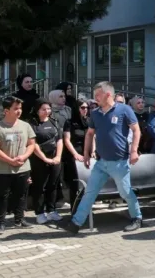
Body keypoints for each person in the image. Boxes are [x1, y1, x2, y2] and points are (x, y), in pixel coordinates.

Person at [61, 81, 143, 234]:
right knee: (89, 193)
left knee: (125, 192)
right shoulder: (96, 113)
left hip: (120, 162)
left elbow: (136, 131)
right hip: (101, 163)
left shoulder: (124, 110)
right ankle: (76, 223)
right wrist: (86, 154)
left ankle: (137, 217)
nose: (95, 98)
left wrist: (133, 151)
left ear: (108, 94)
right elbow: (90, 134)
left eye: (97, 95)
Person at [0, 96, 36, 235]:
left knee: (21, 195)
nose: (19, 111)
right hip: (3, 169)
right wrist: (10, 160)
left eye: (20, 108)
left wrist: (24, 157)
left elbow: (31, 144)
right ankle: (0, 223)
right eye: (16, 109)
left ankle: (19, 220)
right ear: (6, 111)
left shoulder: (25, 126)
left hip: (23, 167)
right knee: (2, 196)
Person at [28, 98, 64, 224]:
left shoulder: (54, 122)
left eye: (48, 108)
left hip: (55, 157)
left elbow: (60, 140)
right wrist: (44, 158)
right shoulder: (32, 124)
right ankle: (39, 212)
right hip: (39, 159)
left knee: (53, 185)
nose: (47, 111)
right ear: (37, 110)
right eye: (43, 109)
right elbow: (33, 144)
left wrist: (58, 157)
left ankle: (51, 210)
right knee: (39, 186)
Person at [63, 99, 90, 210]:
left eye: (87, 108)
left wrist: (92, 151)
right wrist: (75, 154)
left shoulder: (89, 121)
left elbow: (93, 137)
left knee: (88, 182)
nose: (85, 110)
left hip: (86, 154)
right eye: (82, 108)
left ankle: (86, 209)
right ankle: (74, 210)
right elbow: (67, 140)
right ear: (77, 109)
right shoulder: (69, 122)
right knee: (75, 184)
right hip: (74, 155)